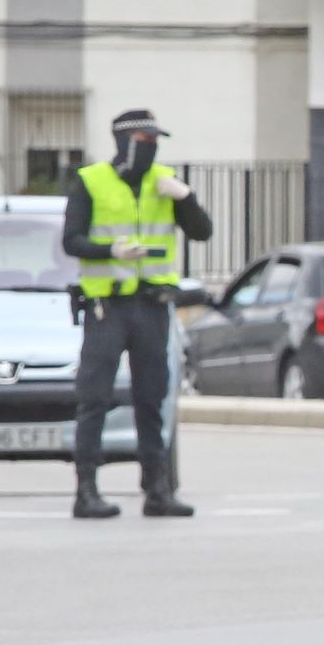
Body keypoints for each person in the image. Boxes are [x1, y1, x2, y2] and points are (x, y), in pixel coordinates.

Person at [63, 109, 212, 519]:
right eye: (145, 141)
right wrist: (111, 251)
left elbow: (202, 231)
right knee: (94, 397)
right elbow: (71, 240)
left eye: (155, 142)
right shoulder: (92, 181)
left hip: (151, 306)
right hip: (106, 306)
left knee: (153, 398)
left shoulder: (162, 183)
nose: (152, 149)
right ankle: (86, 491)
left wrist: (186, 197)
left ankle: (158, 490)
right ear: (125, 141)